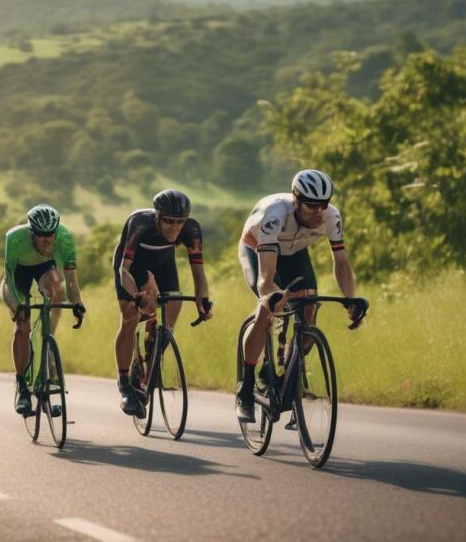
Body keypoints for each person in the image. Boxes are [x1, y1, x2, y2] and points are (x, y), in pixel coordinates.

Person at [235, 169, 361, 424]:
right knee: (266, 311)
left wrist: (350, 298)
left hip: (295, 254)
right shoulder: (274, 215)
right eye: (312, 206)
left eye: (323, 205)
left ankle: (288, 382)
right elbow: (265, 279)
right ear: (296, 200)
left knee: (309, 310)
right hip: (258, 250)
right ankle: (245, 388)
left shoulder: (332, 216)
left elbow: (341, 261)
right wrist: (272, 297)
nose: (319, 212)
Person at [112, 189, 212, 418]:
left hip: (164, 264)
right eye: (168, 221)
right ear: (157, 217)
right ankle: (125, 383)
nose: (175, 228)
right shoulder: (140, 223)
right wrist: (136, 296)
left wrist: (203, 300)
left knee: (168, 321)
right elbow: (124, 270)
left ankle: (149, 363)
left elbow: (199, 273)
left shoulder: (192, 229)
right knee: (130, 317)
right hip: (131, 267)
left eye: (180, 222)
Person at [0, 204, 85, 416]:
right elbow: (9, 278)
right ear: (32, 233)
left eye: (50, 235)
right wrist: (19, 307)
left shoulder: (65, 238)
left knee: (57, 285)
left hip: (44, 270)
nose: (47, 240)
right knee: (22, 324)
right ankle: (22, 386)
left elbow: (71, 279)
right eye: (41, 235)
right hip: (16, 277)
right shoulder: (14, 238)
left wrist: (77, 303)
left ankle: (46, 339)